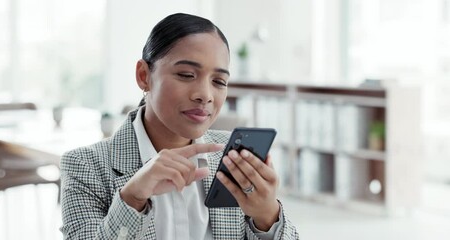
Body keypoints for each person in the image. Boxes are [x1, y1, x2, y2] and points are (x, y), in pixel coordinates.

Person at [60, 13, 299, 240]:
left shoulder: (233, 159)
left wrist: (267, 216)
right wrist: (132, 198)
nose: (205, 95)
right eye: (186, 75)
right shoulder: (84, 167)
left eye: (219, 81)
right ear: (144, 76)